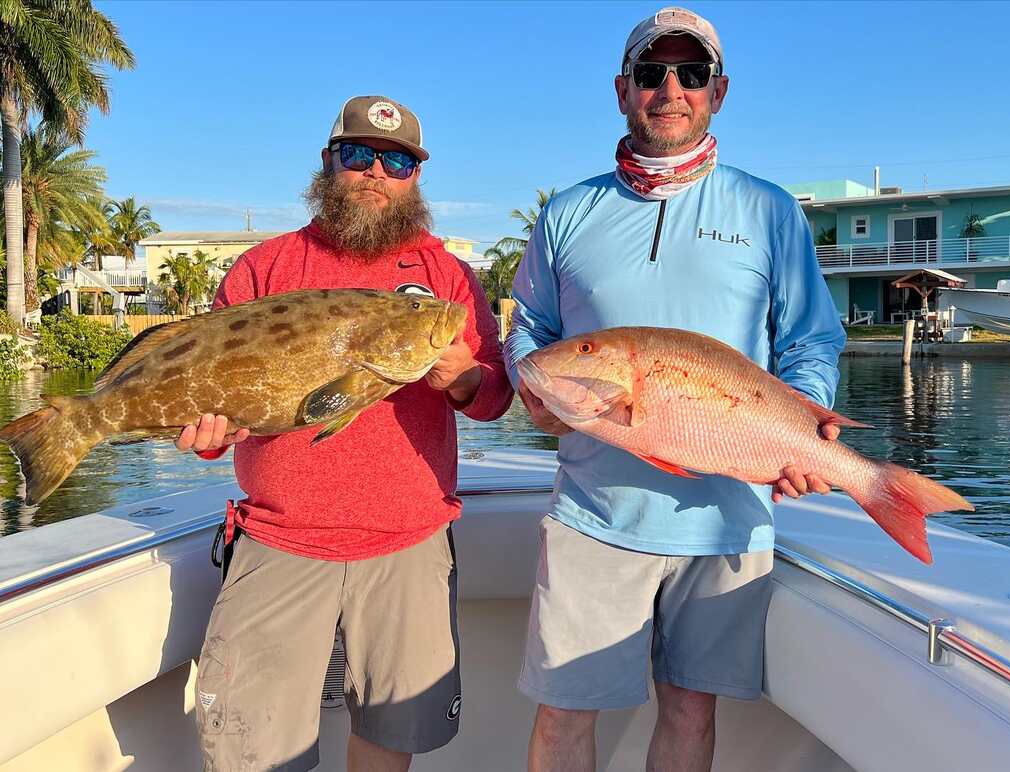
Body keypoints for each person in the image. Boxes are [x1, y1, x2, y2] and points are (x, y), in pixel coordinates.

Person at [503, 8, 846, 772]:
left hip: (729, 517)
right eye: (652, 73)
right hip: (594, 515)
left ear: (718, 92)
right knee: (564, 712)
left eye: (691, 74)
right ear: (622, 89)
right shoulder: (568, 212)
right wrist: (532, 379)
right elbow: (529, 324)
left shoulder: (769, 209)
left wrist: (803, 429)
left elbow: (811, 341)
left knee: (690, 710)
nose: (671, 89)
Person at [177, 95, 513, 772]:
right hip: (278, 540)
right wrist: (205, 432)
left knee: (391, 736)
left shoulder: (448, 277)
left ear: (415, 177)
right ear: (329, 164)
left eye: (396, 161)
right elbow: (206, 399)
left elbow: (494, 394)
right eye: (358, 155)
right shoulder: (264, 269)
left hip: (409, 546)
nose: (374, 173)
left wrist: (462, 380)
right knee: (252, 749)